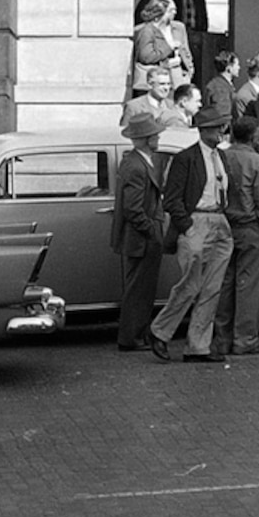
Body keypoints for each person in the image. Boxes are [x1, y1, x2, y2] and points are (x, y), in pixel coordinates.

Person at [149, 109, 238, 364]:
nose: (222, 133)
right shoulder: (186, 158)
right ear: (203, 130)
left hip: (219, 220)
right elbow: (172, 197)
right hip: (197, 220)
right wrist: (186, 225)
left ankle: (198, 346)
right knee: (191, 283)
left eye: (223, 128)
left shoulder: (221, 156)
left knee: (212, 287)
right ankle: (160, 331)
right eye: (217, 128)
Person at [220, 111, 259, 356]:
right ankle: (245, 339)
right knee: (250, 285)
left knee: (226, 283)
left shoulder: (221, 158)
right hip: (252, 227)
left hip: (226, 225)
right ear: (254, 136)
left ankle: (222, 336)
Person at [109, 109, 168, 351]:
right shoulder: (137, 166)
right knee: (139, 290)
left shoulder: (137, 162)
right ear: (146, 139)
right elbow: (133, 210)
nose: (158, 138)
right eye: (155, 135)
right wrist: (152, 231)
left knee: (140, 289)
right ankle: (132, 337)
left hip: (141, 237)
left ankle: (135, 335)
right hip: (142, 238)